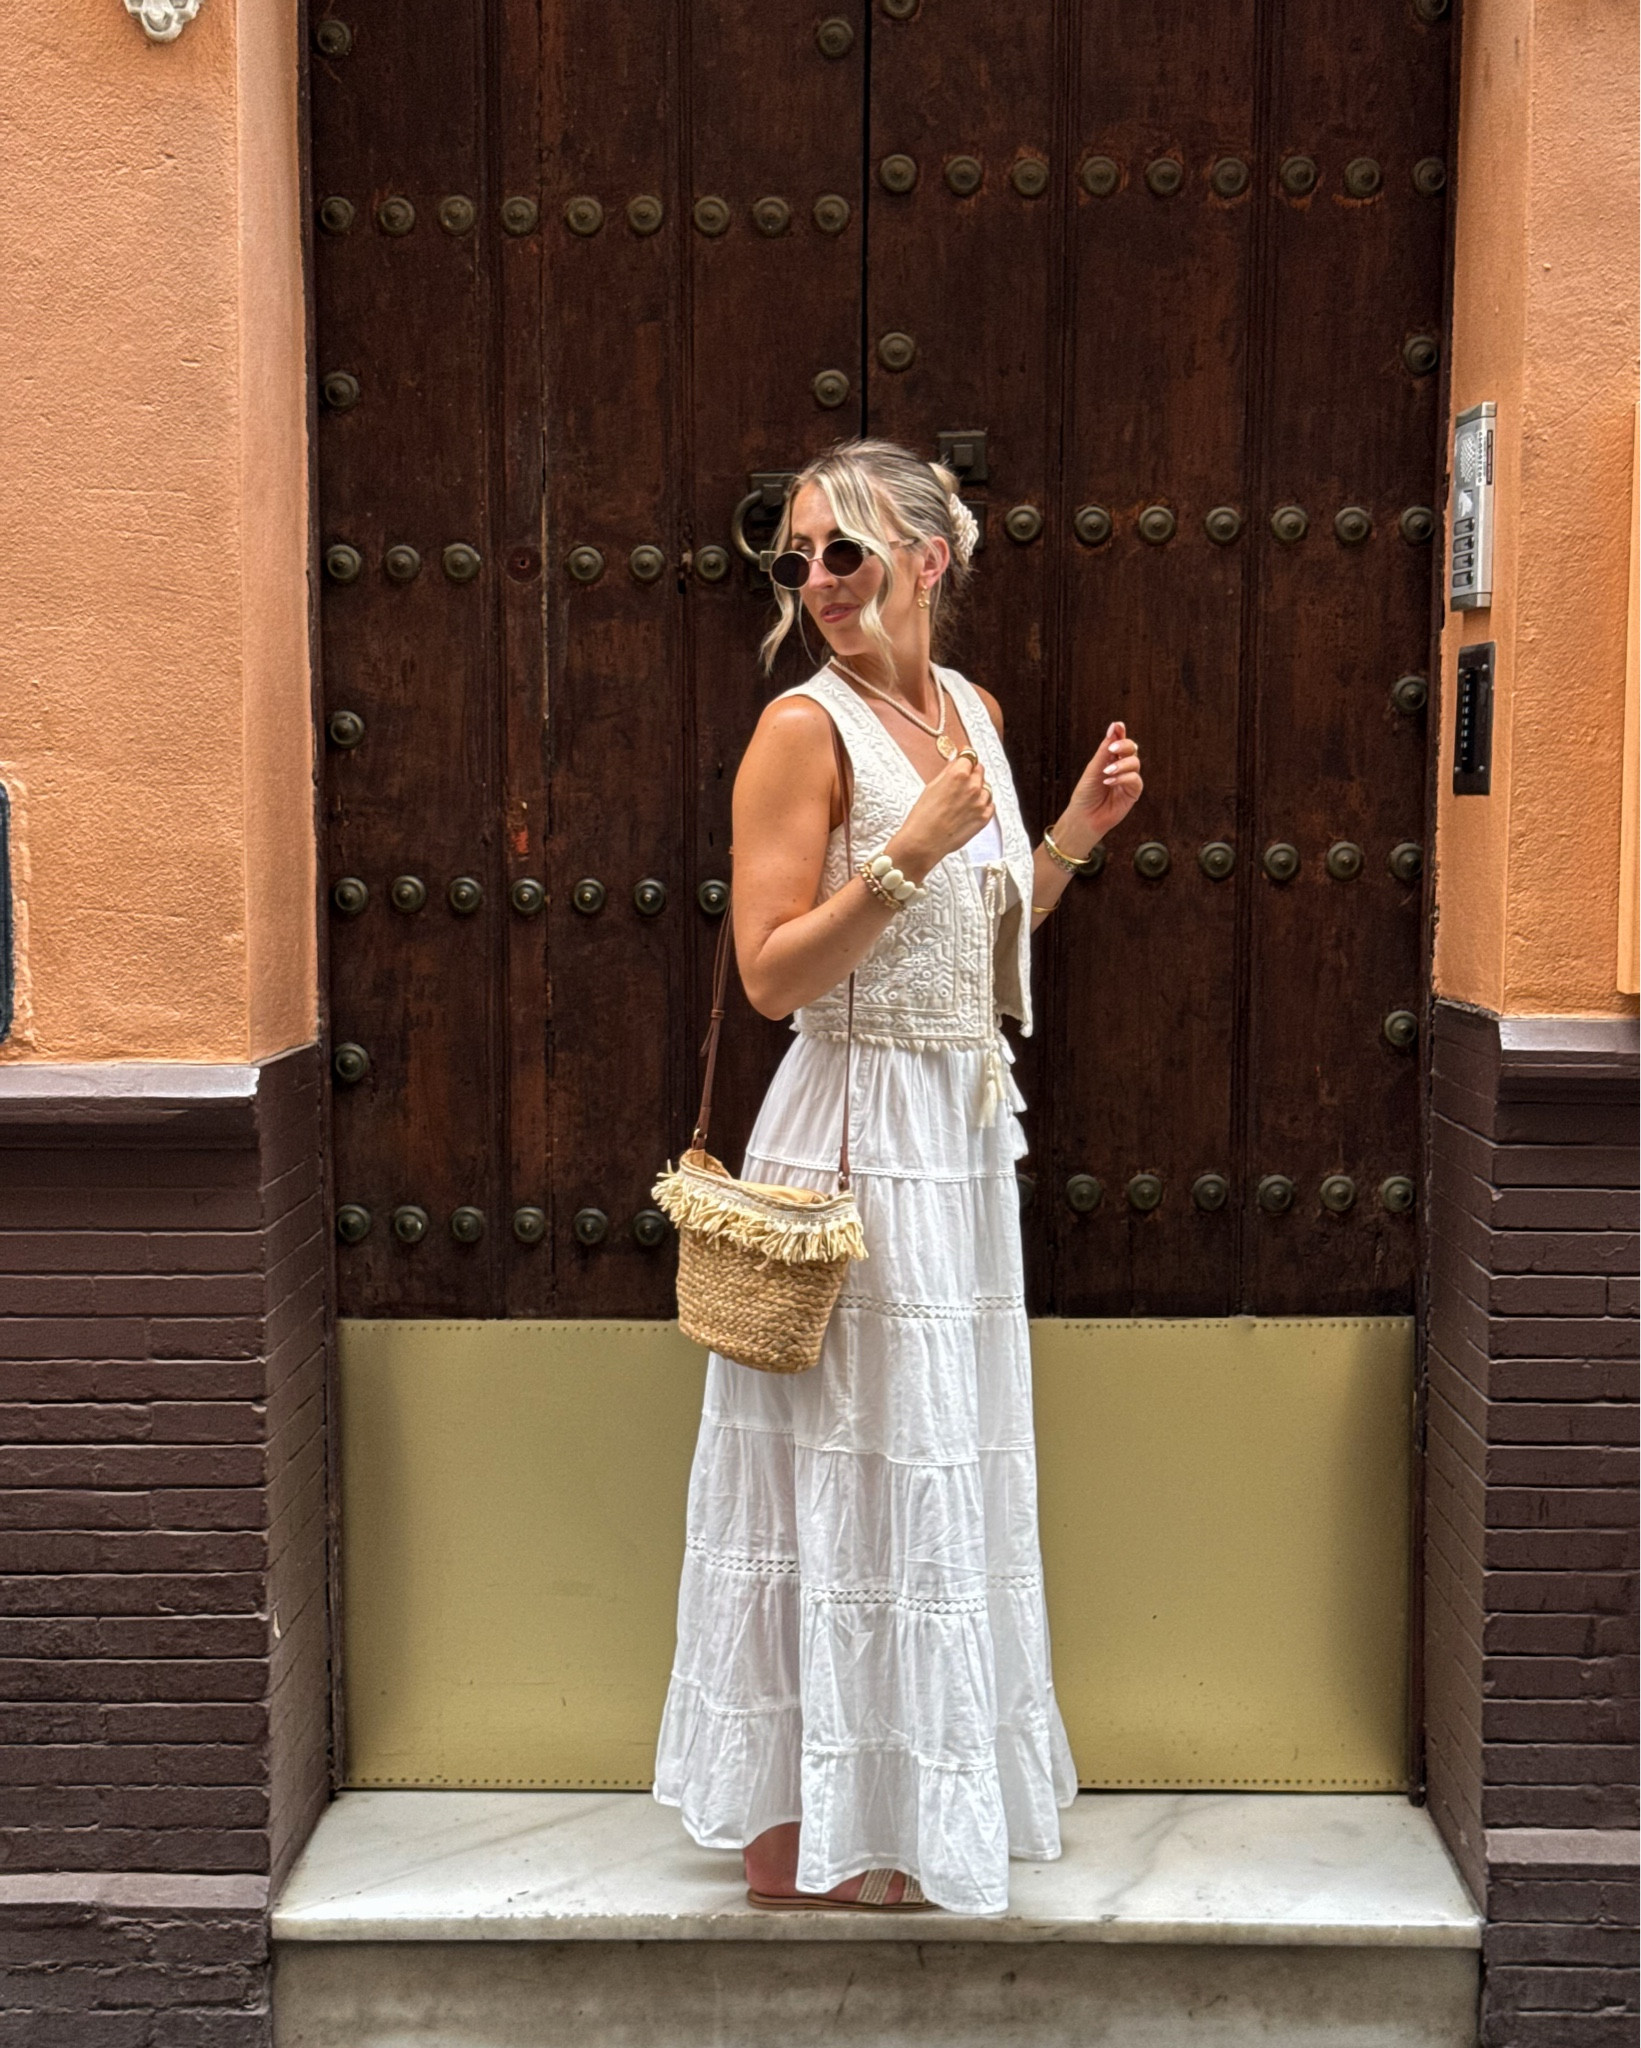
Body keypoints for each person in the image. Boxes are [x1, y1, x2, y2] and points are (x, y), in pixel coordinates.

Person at [653, 437, 1145, 1914]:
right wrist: (906, 853)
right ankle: (804, 1835)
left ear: (928, 560)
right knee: (836, 1477)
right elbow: (768, 976)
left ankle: (911, 1808)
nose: (814, 584)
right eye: (795, 558)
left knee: (933, 1466)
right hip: (852, 1134)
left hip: (955, 1131)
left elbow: (977, 953)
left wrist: (1065, 837)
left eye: (842, 555)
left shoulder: (973, 717)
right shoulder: (800, 733)